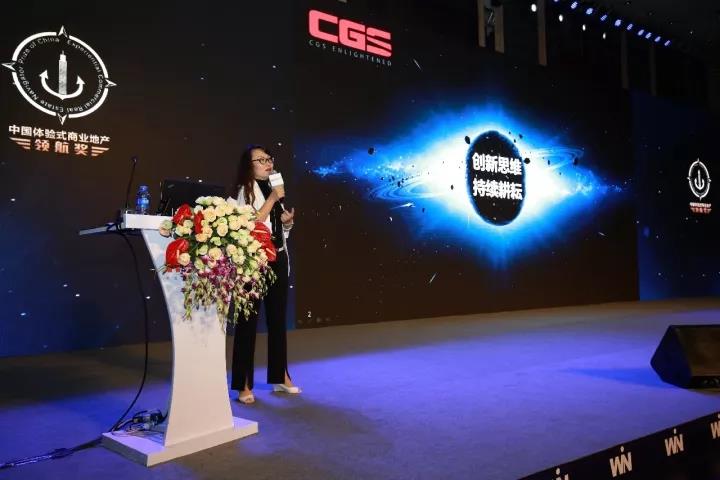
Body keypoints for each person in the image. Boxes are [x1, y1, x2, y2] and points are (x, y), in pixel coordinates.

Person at [231, 145, 299, 404]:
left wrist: (287, 223)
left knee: (278, 320)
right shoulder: (244, 191)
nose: (268, 163)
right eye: (261, 160)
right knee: (247, 322)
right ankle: (243, 384)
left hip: (278, 259)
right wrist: (272, 199)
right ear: (249, 166)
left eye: (269, 158)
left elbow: (275, 229)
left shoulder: (274, 188)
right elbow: (249, 224)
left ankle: (280, 376)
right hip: (253, 262)